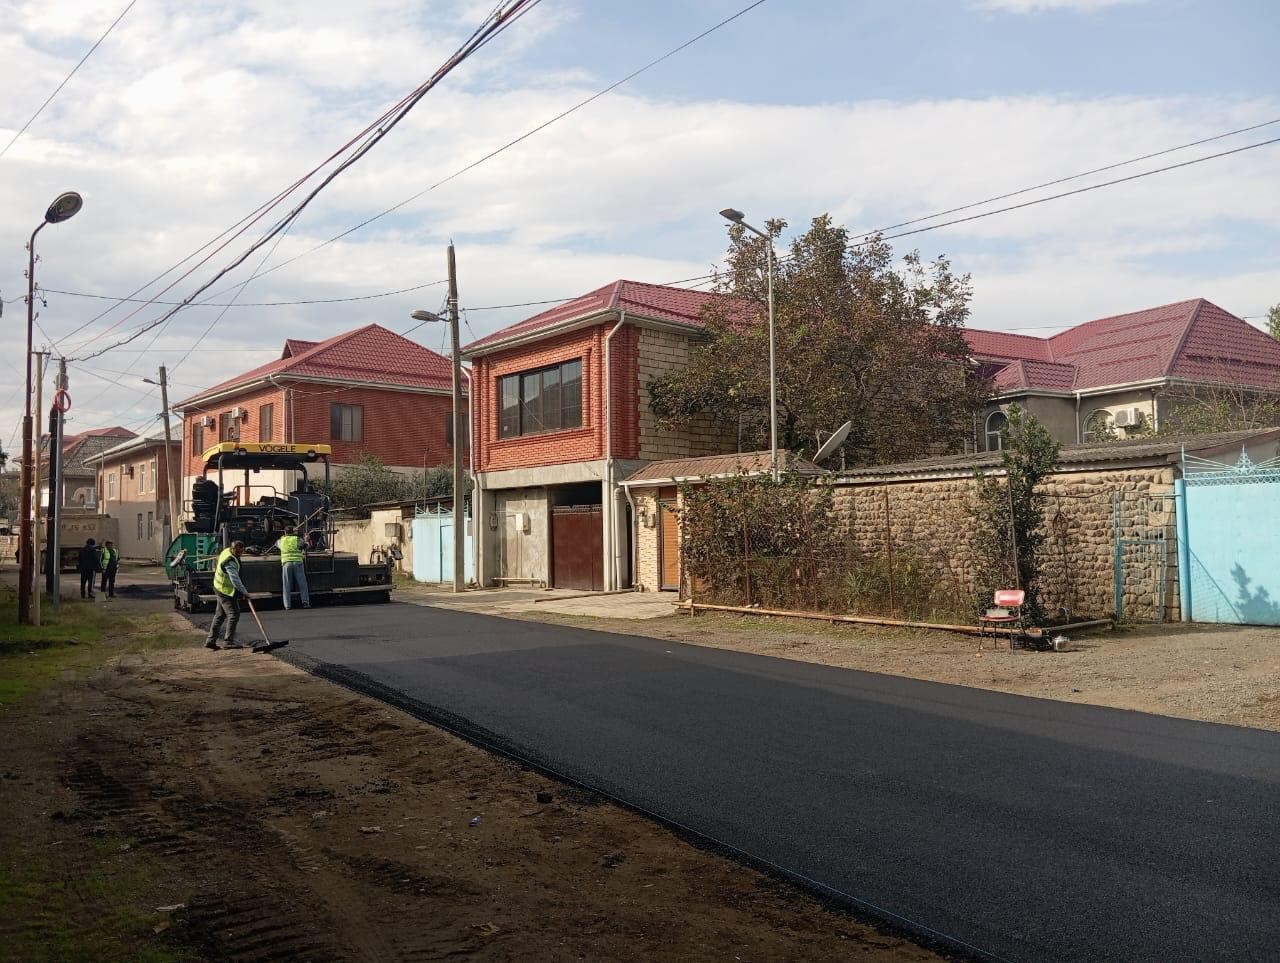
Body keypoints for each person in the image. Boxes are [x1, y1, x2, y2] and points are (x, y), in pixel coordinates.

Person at [205, 540, 248, 651]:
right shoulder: (230, 561)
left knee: (219, 615)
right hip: (225, 591)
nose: (239, 554)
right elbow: (235, 579)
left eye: (241, 552)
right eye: (237, 552)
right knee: (234, 614)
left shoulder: (226, 551)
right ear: (232, 548)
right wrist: (244, 592)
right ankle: (228, 641)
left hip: (218, 587)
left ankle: (210, 641)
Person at [274, 525, 310, 610]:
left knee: (286, 584)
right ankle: (305, 602)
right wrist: (307, 540)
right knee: (302, 583)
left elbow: (276, 546)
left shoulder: (280, 541)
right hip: (297, 562)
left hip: (286, 563)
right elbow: (306, 546)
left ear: (285, 532)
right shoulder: (297, 539)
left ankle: (287, 605)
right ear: (293, 532)